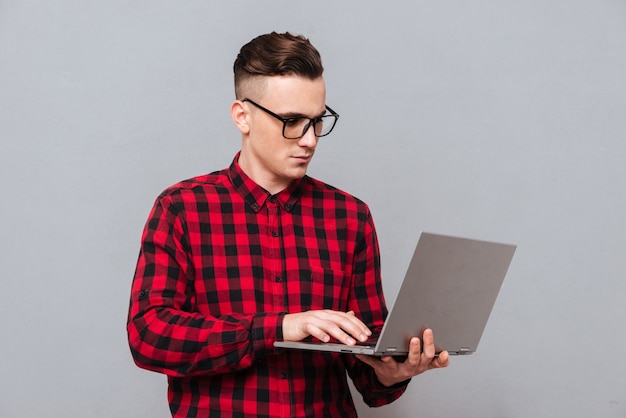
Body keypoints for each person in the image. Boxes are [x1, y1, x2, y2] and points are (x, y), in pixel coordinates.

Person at [127, 31, 449, 418]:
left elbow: (368, 375)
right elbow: (149, 336)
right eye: (293, 121)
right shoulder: (182, 208)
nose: (310, 140)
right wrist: (278, 328)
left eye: (318, 120)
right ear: (242, 116)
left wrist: (392, 371)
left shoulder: (350, 217)